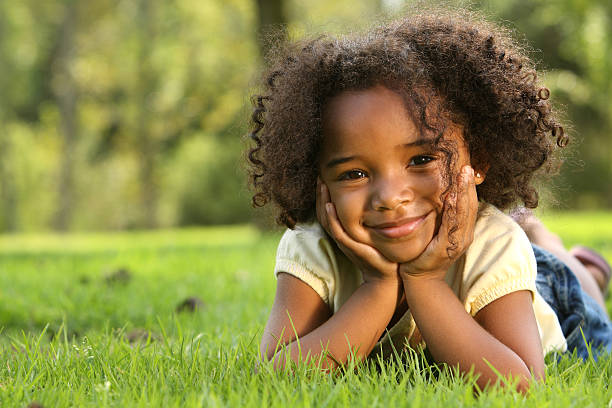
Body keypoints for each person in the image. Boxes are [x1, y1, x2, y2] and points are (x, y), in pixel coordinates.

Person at [246, 9, 612, 391]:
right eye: (353, 174)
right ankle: (542, 239)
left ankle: (579, 262)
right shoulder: (312, 246)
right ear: (316, 179)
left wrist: (424, 281)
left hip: (543, 295)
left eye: (421, 160)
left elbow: (519, 385)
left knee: (570, 285)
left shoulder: (495, 244)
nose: (389, 198)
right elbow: (276, 375)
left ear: (479, 161)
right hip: (493, 271)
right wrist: (378, 286)